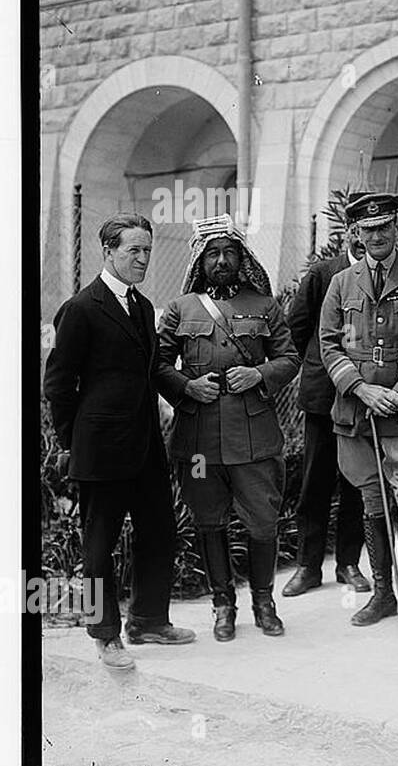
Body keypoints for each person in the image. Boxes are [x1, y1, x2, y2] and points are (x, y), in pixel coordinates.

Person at [44, 213, 196, 669]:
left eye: (147, 250)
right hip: (101, 449)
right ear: (107, 252)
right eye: (133, 250)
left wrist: (186, 391)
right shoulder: (81, 308)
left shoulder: (143, 307)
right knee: (98, 544)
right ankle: (105, 636)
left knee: (160, 532)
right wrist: (76, 439)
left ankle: (148, 620)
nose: (143, 259)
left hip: (146, 445)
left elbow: (149, 371)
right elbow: (58, 383)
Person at [156, 215, 301, 640]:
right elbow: (159, 365)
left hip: (254, 438)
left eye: (229, 253)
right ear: (200, 262)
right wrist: (186, 386)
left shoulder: (264, 306)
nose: (221, 261)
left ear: (242, 258)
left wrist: (260, 375)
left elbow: (289, 358)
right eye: (212, 255)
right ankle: (223, 605)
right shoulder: (181, 309)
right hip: (198, 440)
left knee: (262, 523)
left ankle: (264, 602)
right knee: (208, 520)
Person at [319, 192, 398, 642]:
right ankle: (381, 594)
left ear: (396, 228)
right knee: (371, 500)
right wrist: (361, 388)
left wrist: (397, 393)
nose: (377, 236)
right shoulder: (341, 283)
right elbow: (329, 344)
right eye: (368, 229)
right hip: (357, 413)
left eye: (384, 228)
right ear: (356, 232)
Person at [282, 219, 370, 597]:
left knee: (356, 480)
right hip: (323, 396)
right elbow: (296, 330)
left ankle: (349, 563)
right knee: (314, 481)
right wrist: (318, 367)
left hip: (364, 396)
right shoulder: (321, 274)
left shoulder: (387, 273)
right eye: (360, 228)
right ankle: (308, 565)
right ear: (349, 232)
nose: (367, 237)